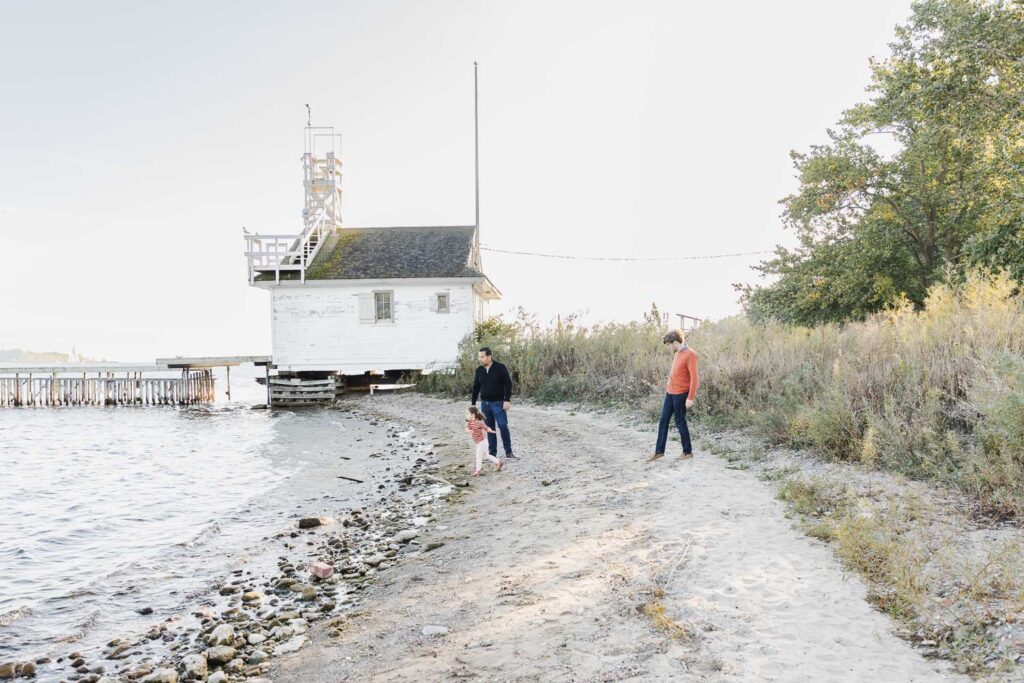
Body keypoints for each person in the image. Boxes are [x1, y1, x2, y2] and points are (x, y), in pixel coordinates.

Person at [649, 329, 699, 461]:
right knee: (663, 420)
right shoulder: (677, 353)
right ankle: (659, 451)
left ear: (676, 342)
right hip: (670, 392)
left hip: (681, 394)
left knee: (680, 422)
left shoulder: (691, 354)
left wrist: (690, 398)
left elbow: (695, 378)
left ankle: (687, 452)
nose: (669, 347)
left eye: (670, 344)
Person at [471, 347, 517, 459]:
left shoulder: (500, 367)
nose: (480, 359)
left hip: (499, 402)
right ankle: (492, 453)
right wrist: (473, 404)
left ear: (489, 356)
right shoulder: (479, 370)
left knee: (503, 426)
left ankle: (509, 452)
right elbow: (476, 387)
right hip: (485, 404)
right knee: (489, 428)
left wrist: (507, 400)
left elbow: (508, 384)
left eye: (482, 357)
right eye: (479, 357)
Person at [466, 406, 503, 476]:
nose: (466, 416)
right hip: (481, 442)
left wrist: (491, 431)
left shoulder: (479, 422)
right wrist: (470, 431)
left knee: (478, 456)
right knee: (486, 455)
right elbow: (466, 429)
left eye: (468, 414)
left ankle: (478, 470)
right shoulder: (470, 423)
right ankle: (498, 462)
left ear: (473, 415)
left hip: (482, 442)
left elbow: (486, 428)